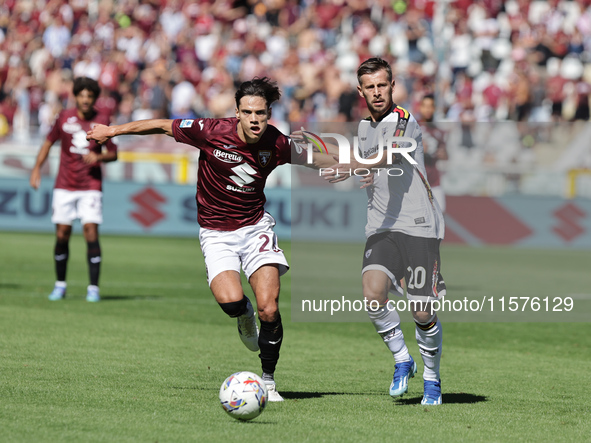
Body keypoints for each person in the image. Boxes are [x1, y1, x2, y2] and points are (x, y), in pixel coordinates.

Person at [86, 77, 335, 402]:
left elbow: (318, 158)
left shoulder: (277, 143)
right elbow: (162, 125)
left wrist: (363, 167)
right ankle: (243, 315)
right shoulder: (210, 130)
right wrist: (113, 130)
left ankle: (269, 381)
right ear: (237, 112)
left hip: (255, 227)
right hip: (216, 233)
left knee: (269, 308)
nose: (255, 119)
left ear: (269, 113)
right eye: (248, 112)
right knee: (232, 302)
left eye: (260, 112)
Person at [326, 58, 446, 405]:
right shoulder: (364, 128)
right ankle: (401, 359)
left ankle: (433, 379)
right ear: (360, 90)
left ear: (392, 86)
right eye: (370, 87)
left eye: (383, 85)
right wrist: (367, 175)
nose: (377, 92)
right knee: (372, 293)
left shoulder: (405, 121)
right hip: (381, 226)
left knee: (422, 312)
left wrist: (353, 164)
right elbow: (377, 166)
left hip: (419, 226)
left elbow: (392, 155)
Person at [30, 77, 118, 303]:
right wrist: (36, 169)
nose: (86, 100)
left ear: (94, 98)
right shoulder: (64, 117)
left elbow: (114, 153)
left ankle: (93, 289)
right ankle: (60, 285)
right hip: (65, 185)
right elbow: (48, 143)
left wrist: (98, 156)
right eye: (82, 95)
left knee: (90, 231)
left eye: (90, 96)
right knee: (62, 234)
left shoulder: (103, 120)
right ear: (76, 97)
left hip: (90, 186)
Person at [418, 94, 448, 213]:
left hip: (434, 181)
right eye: (425, 106)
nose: (428, 109)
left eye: (431, 106)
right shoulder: (413, 128)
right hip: (418, 182)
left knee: (440, 214)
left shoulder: (438, 131)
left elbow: (445, 154)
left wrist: (442, 154)